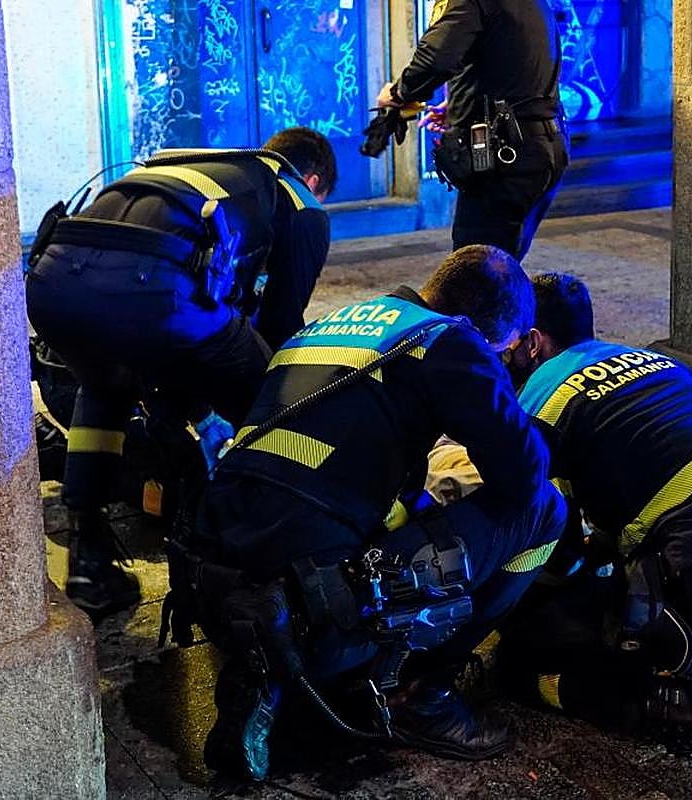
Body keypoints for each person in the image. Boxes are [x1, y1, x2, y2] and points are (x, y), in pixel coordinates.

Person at [427, 274, 692, 792]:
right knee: (635, 565)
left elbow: (541, 538)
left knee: (522, 652)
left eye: (508, 342)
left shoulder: (544, 396)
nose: (501, 357)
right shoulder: (650, 363)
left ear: (532, 341)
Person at [171, 245, 566, 780]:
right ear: (496, 331)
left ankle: (275, 662)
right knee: (543, 511)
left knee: (392, 517)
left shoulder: (340, 325)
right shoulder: (449, 340)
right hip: (310, 598)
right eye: (512, 349)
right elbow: (522, 476)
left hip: (216, 582)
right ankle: (428, 695)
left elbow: (348, 466)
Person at [25, 127, 337, 617]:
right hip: (153, 288)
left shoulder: (187, 166)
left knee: (106, 385)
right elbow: (278, 325)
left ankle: (89, 562)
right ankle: (261, 544)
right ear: (313, 179)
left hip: (53, 283)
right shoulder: (301, 202)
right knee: (269, 399)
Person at [376, 0, 569, 261]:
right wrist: (462, 106)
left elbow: (436, 59)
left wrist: (398, 93)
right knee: (502, 268)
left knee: (475, 274)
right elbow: (515, 65)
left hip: (508, 157)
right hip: (544, 147)